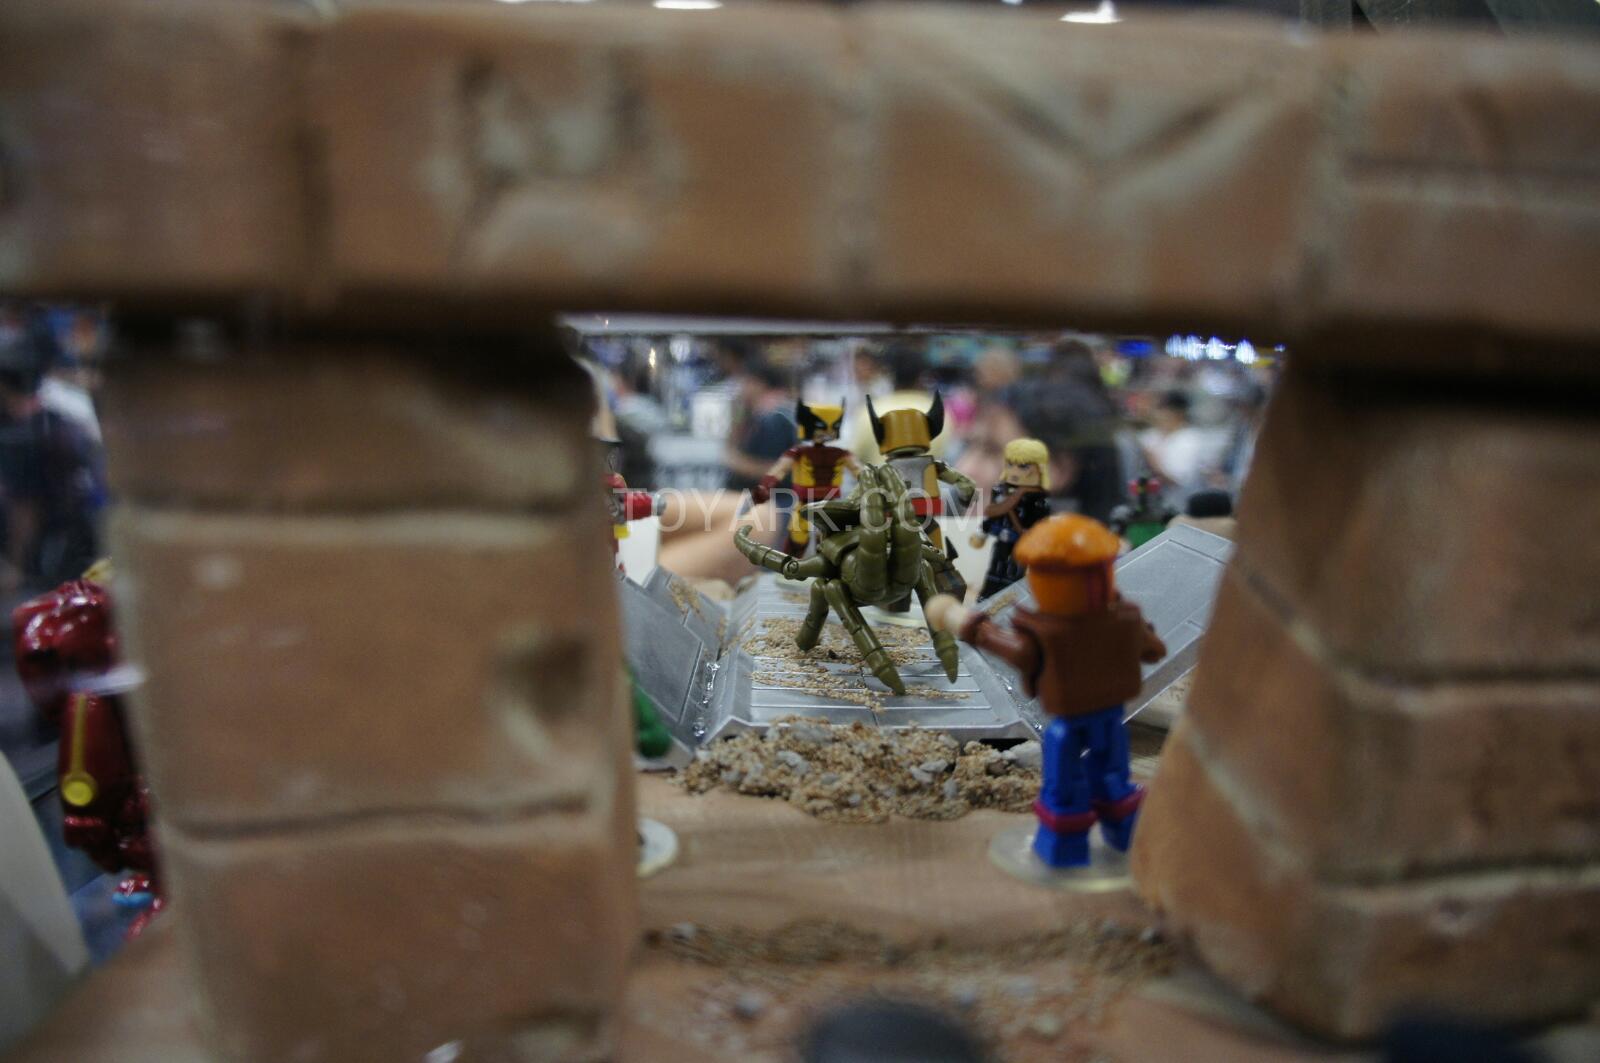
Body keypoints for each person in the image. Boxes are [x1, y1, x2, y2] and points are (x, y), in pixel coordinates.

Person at [970, 438, 1051, 601]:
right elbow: (992, 514)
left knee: (1014, 574)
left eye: (1023, 466)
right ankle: (987, 597)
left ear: (1039, 469)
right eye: (1010, 464)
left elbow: (1040, 524)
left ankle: (1010, 601)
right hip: (1002, 539)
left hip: (1022, 543)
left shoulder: (1038, 498)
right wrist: (982, 532)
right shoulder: (1001, 490)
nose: (1014, 471)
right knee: (995, 569)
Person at [1139, 390, 1211, 498]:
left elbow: (1176, 481)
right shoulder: (1149, 435)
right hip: (1147, 499)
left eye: (1162, 410)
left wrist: (1153, 462)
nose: (1157, 414)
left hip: (1180, 501)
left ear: (1178, 413)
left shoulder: (1191, 439)